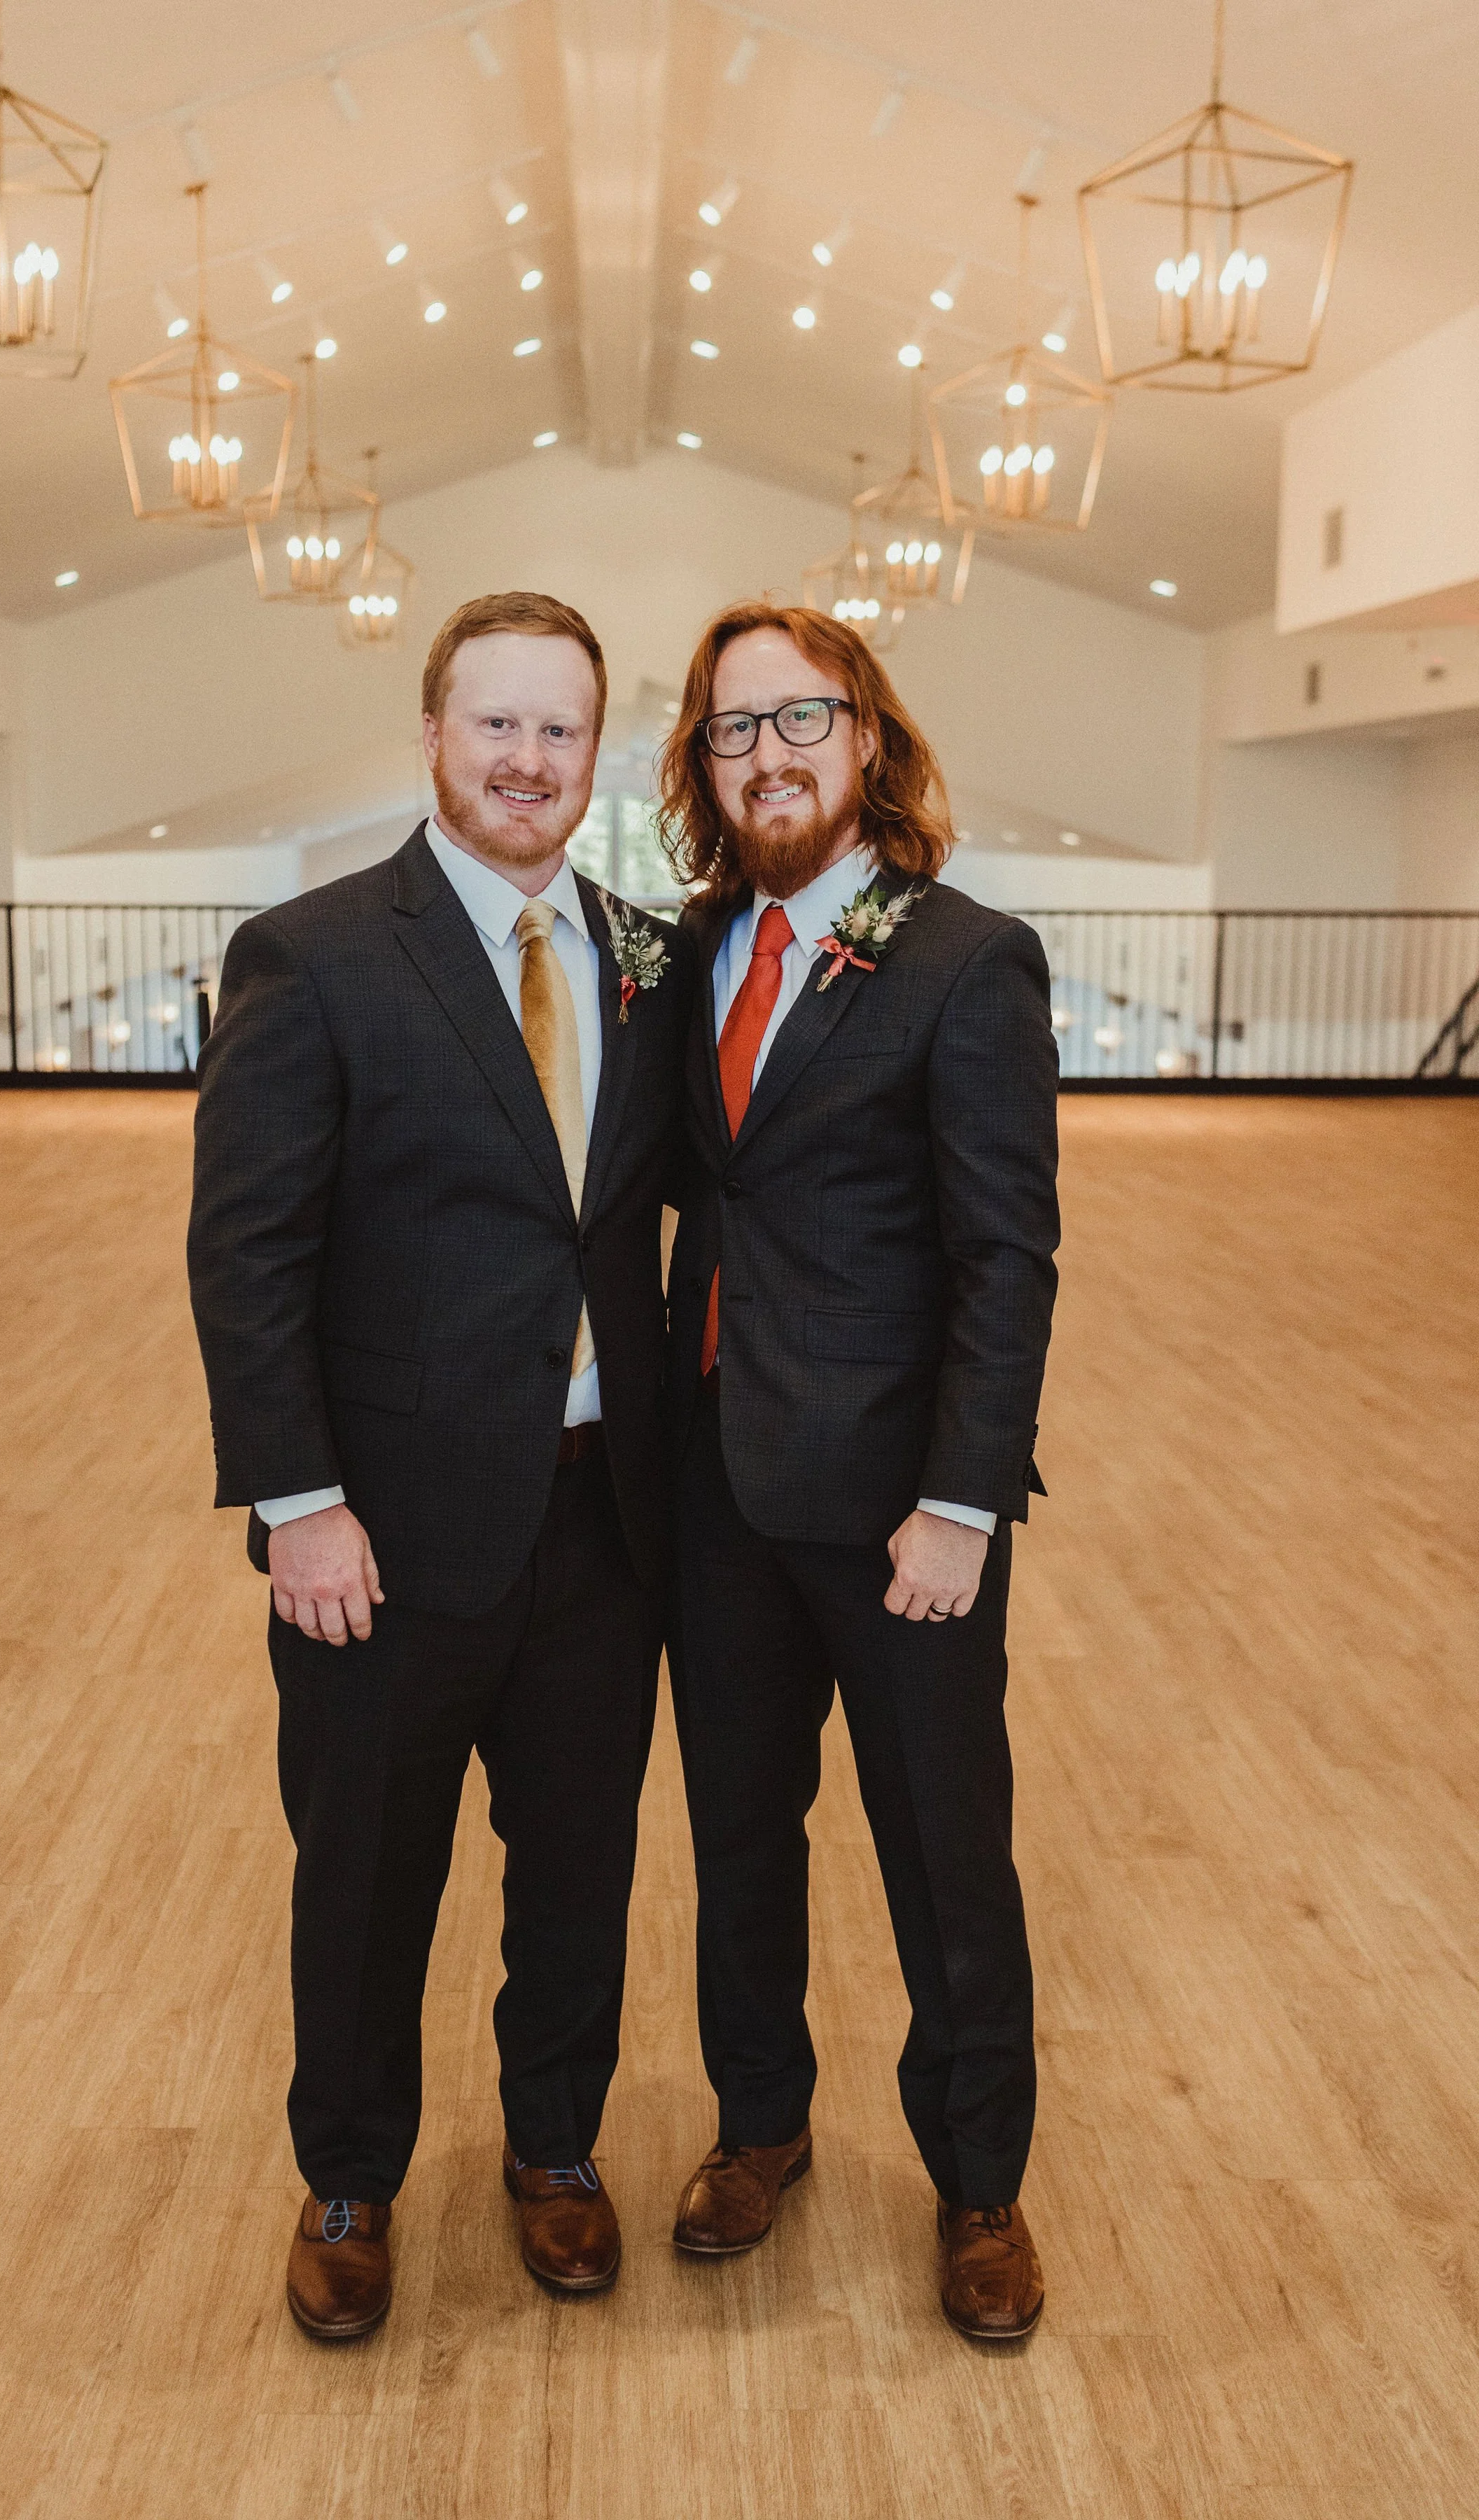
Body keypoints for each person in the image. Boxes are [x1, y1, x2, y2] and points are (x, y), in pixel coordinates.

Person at [188, 591, 691, 2340]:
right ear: (433, 735)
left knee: (578, 1871)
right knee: (366, 1873)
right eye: (499, 724)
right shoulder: (315, 953)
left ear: (592, 752)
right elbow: (246, 1257)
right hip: (383, 1538)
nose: (531, 761)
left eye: (563, 730)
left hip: (606, 1521)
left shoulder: (649, 951)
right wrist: (298, 1506)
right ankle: (349, 2181)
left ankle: (554, 2153)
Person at [657, 600, 1060, 2341]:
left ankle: (980, 2183)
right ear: (704, 765)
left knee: (942, 1858)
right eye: (734, 729)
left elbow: (1007, 1259)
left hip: (905, 1522)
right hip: (717, 1497)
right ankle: (760, 2127)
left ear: (868, 740)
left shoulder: (964, 958)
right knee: (741, 1838)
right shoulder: (690, 953)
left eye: (800, 718)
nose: (770, 755)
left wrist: (962, 1504)